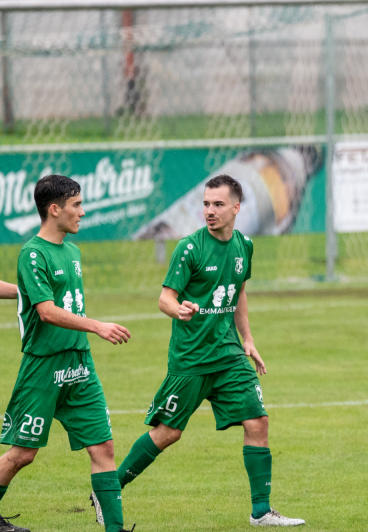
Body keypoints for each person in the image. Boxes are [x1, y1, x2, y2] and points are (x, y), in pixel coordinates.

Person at [113, 174, 304, 528]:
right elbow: (165, 298)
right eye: (205, 204)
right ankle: (110, 488)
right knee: (168, 433)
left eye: (218, 204)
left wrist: (248, 339)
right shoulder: (190, 248)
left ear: (236, 208)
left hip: (229, 355)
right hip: (191, 358)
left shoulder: (244, 245)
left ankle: (261, 512)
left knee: (258, 421)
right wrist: (178, 310)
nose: (210, 211)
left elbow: (239, 290)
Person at [0, 174, 133, 532]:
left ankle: (115, 529)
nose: (83, 212)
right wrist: (97, 326)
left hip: (79, 365)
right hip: (43, 368)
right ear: (54, 209)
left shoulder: (72, 251)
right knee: (23, 454)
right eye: (76, 204)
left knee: (103, 447)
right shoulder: (32, 253)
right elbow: (46, 311)